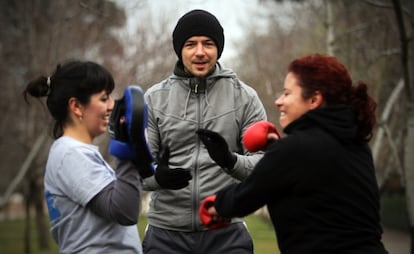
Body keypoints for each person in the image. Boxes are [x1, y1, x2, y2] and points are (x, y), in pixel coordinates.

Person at [201, 54, 389, 253]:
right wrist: (275, 150)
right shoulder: (357, 145)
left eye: (287, 94)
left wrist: (215, 206)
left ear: (314, 99)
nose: (278, 101)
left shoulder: (295, 149)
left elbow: (248, 194)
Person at [142, 9, 267, 254]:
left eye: (208, 43)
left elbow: (265, 166)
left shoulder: (244, 98)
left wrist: (231, 161)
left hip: (226, 231)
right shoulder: (154, 99)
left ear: (218, 48)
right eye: (191, 44)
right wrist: (158, 177)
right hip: (166, 235)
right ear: (180, 50)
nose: (200, 52)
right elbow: (133, 171)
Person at [23, 60, 148, 253]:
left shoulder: (78, 153)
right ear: (76, 106)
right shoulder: (70, 154)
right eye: (104, 98)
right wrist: (127, 149)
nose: (112, 106)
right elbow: (124, 211)